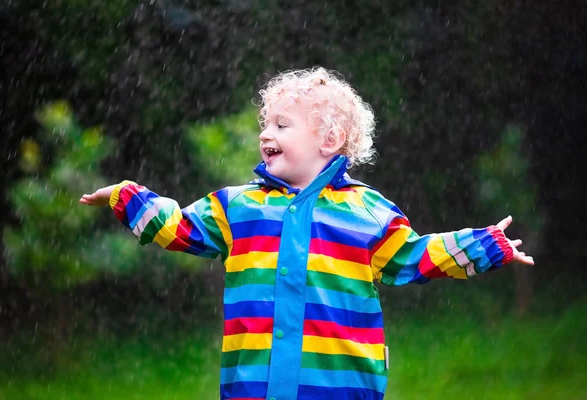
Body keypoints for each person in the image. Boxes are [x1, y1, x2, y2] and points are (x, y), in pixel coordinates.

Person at [80, 67, 534, 400]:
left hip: (340, 388)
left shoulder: (368, 212)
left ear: (330, 140)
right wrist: (128, 197)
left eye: (281, 125)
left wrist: (484, 246)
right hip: (252, 388)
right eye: (265, 125)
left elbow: (415, 257)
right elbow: (179, 227)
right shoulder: (238, 207)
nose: (265, 134)